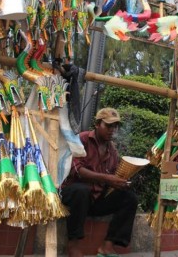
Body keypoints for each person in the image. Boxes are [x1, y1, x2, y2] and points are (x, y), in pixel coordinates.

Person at [61, 107, 138, 257]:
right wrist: (107, 178)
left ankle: (107, 245)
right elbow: (77, 170)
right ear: (97, 124)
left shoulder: (112, 150)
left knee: (130, 197)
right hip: (74, 196)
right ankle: (73, 244)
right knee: (81, 190)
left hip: (95, 199)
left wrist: (121, 181)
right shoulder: (82, 139)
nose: (112, 130)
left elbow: (113, 176)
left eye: (114, 127)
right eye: (108, 126)